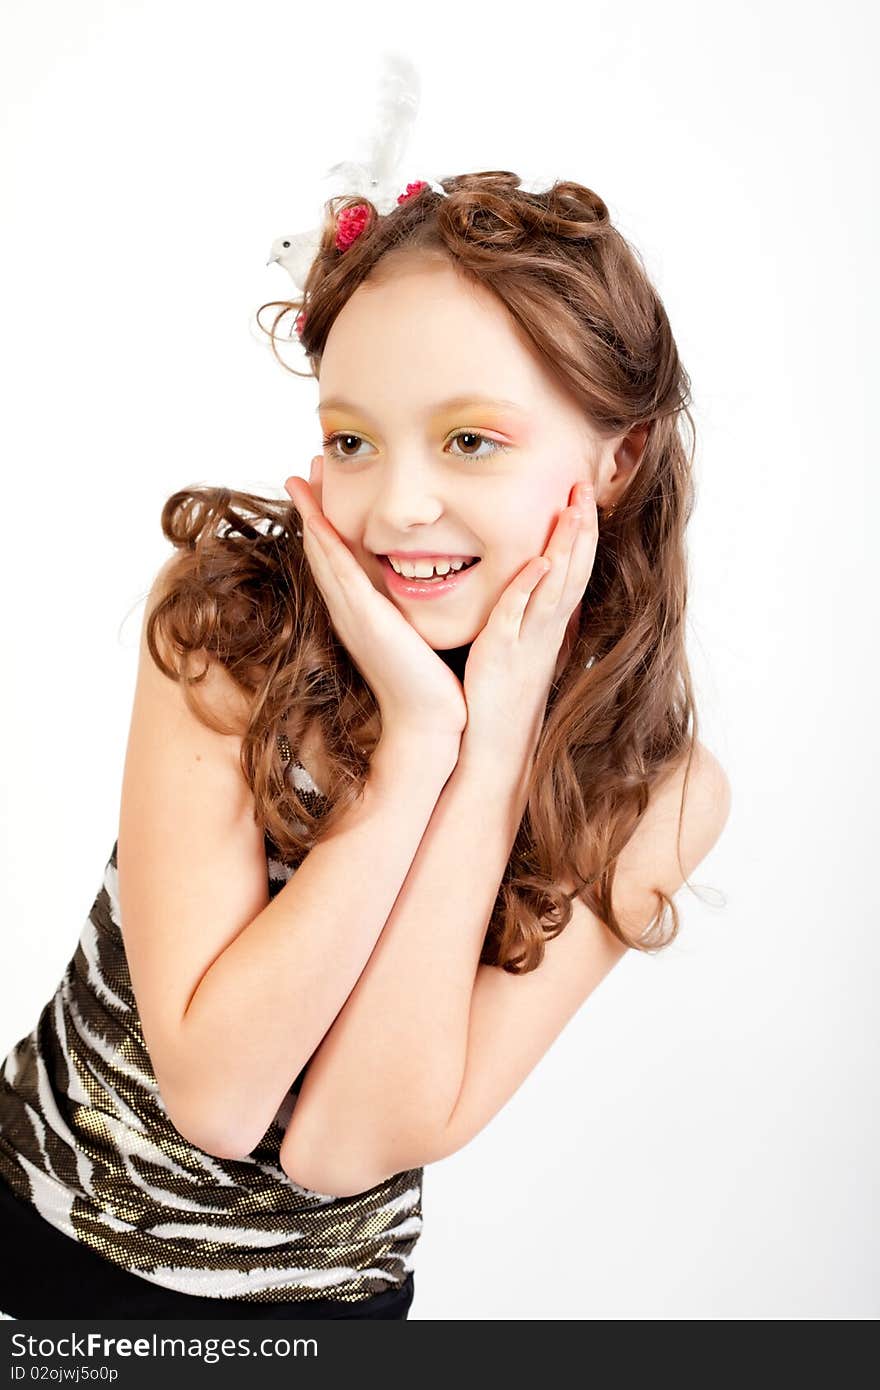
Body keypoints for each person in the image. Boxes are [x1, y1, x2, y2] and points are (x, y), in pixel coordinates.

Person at [0, 170, 731, 1319]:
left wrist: (487, 759)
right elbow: (218, 1095)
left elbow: (344, 1147)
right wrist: (414, 753)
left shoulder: (652, 794)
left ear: (617, 460)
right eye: (352, 437)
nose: (397, 507)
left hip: (331, 1316)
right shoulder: (233, 629)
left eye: (470, 440)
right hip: (44, 1262)